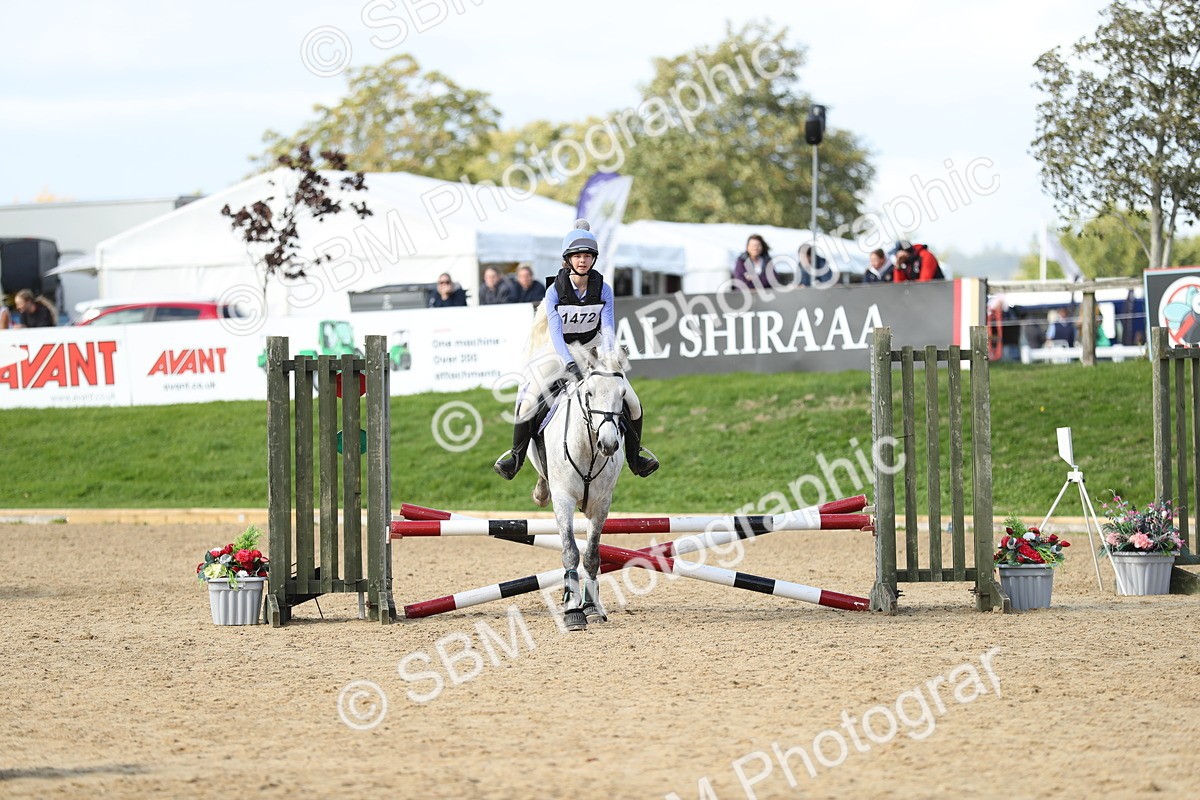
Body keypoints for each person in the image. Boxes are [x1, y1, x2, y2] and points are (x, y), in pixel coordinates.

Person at [494, 220, 659, 480]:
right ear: (568, 259)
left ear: (593, 258)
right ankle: (515, 457)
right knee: (529, 400)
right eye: (577, 256)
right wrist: (569, 361)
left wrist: (606, 360)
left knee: (633, 403)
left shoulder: (603, 289)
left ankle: (635, 458)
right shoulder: (554, 292)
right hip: (558, 350)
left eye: (587, 256)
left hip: (593, 349)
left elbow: (607, 329)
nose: (583, 260)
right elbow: (557, 334)